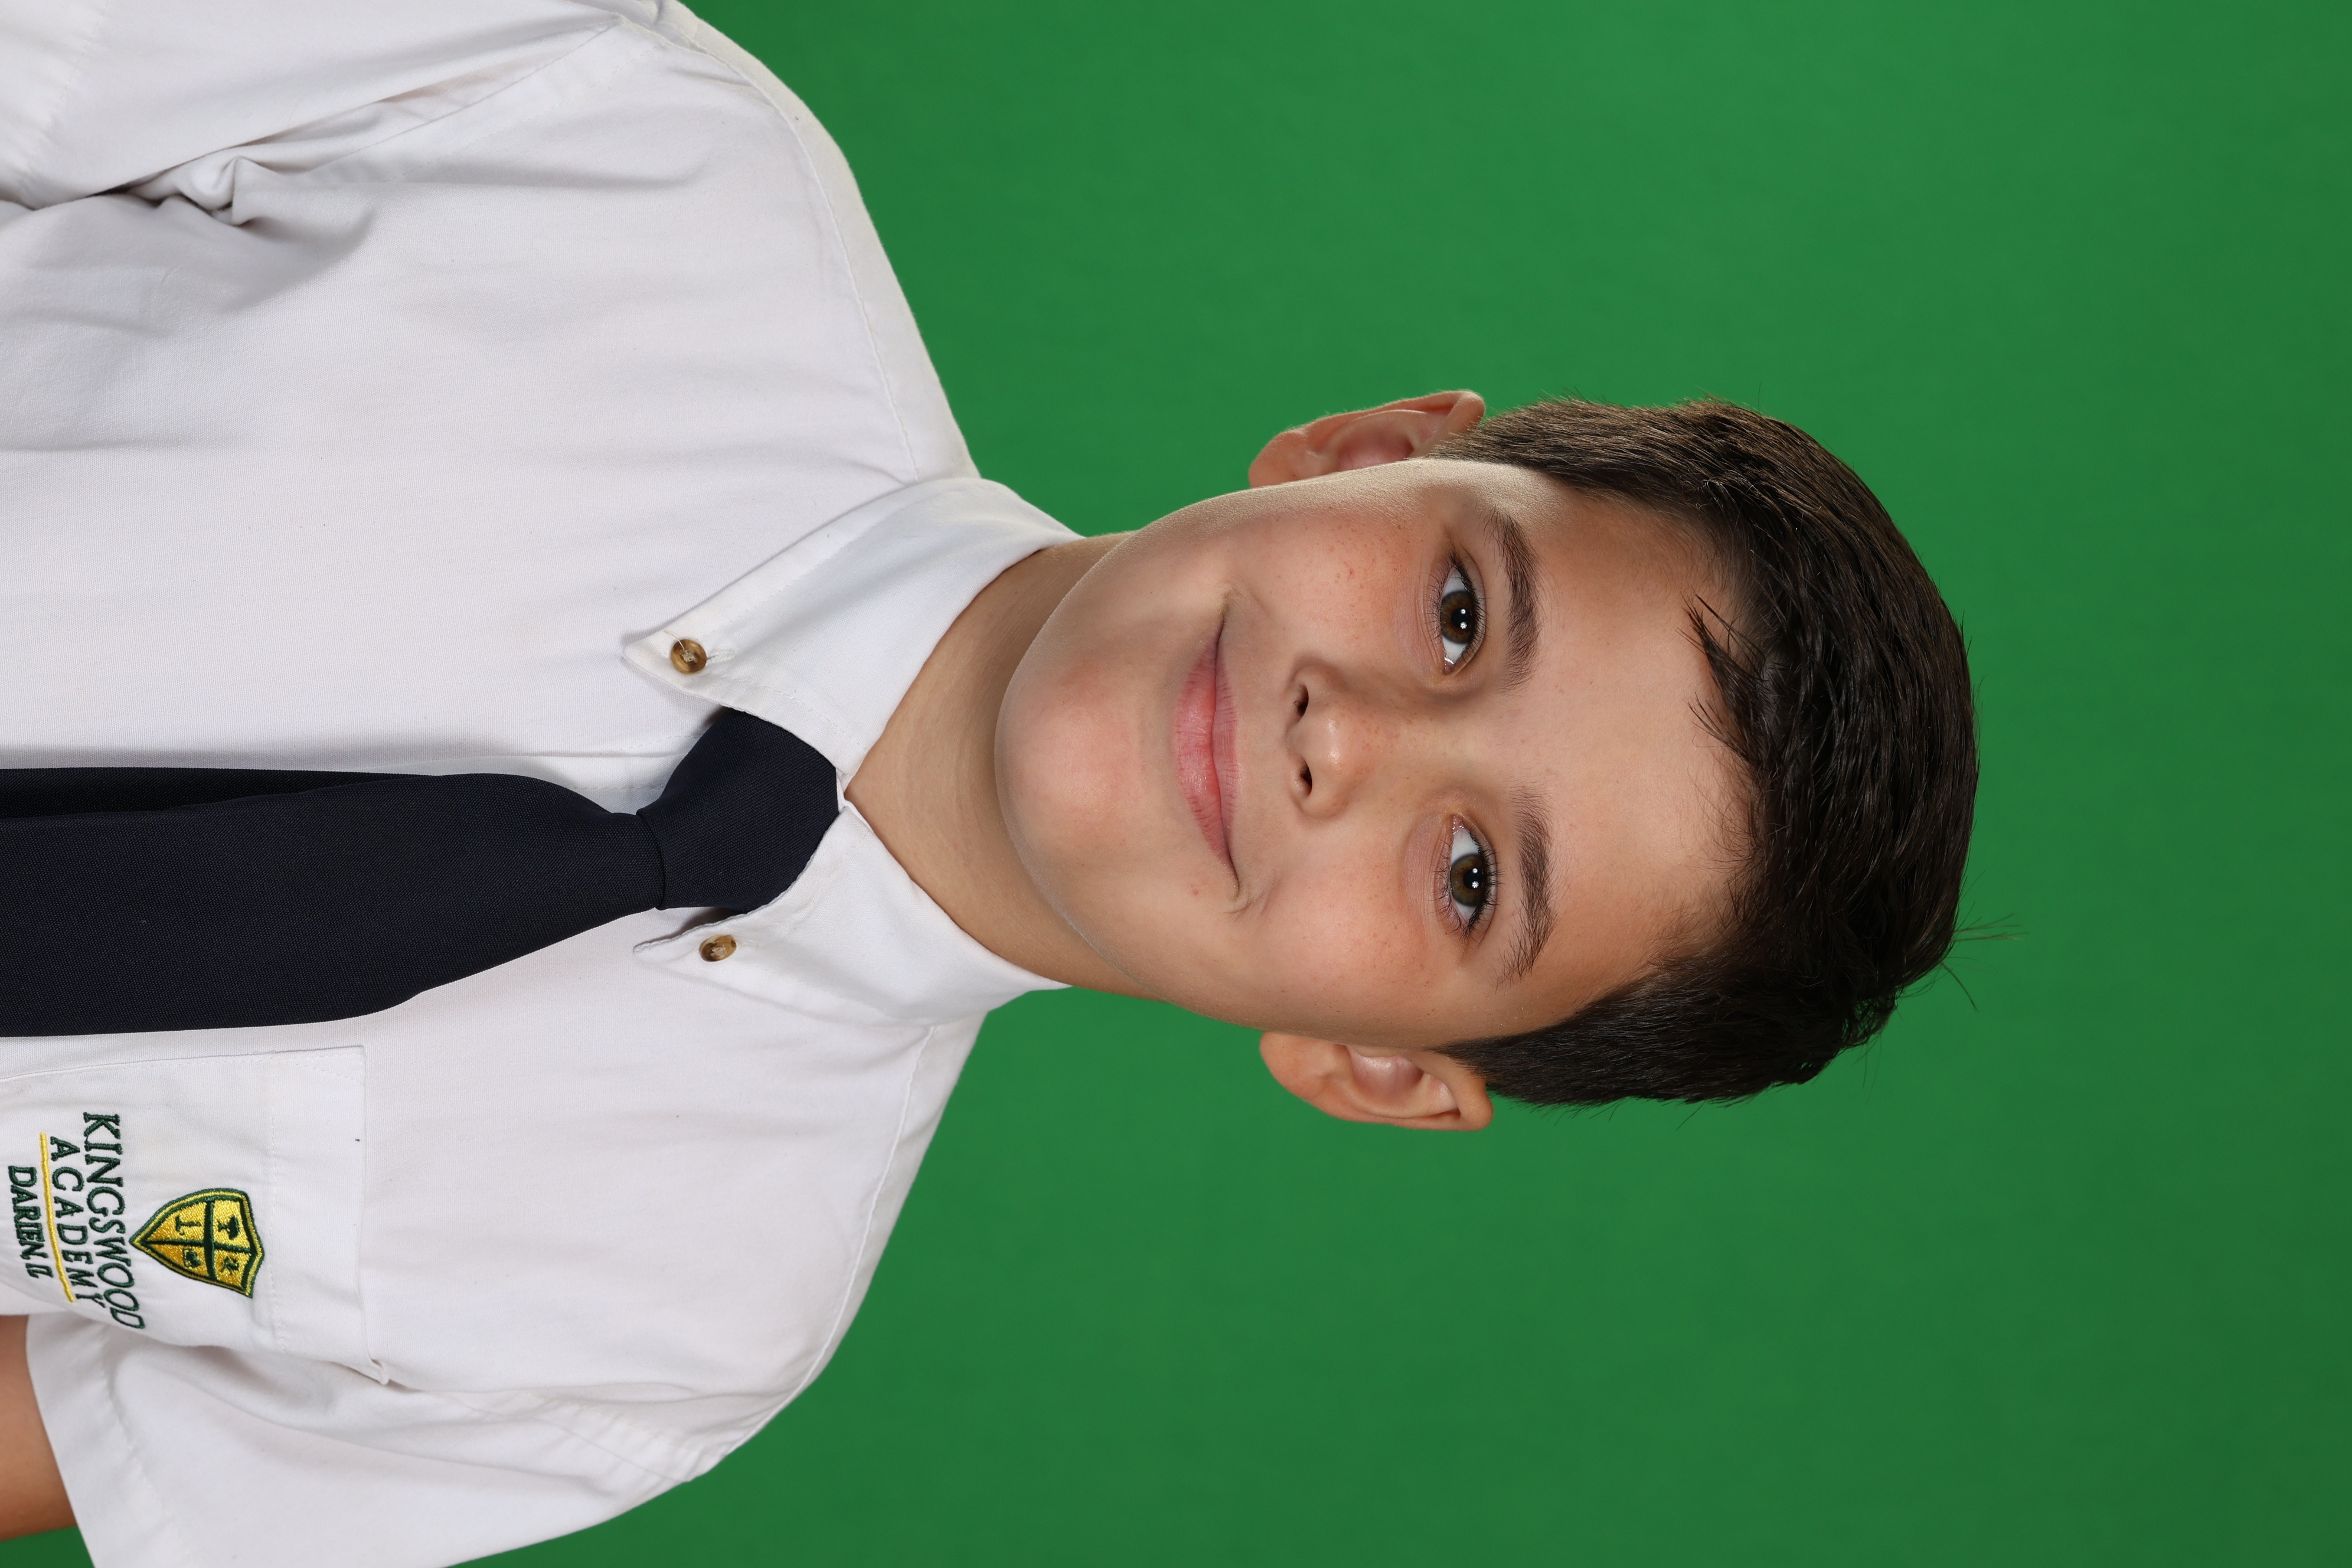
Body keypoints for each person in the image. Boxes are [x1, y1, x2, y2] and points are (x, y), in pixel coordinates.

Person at [0, 1, 1977, 1563]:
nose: (1348, 735)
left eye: (1472, 877)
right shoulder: (613, 143)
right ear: (1367, 449)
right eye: (1461, 612)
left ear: (1379, 1066)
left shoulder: (663, 1336)